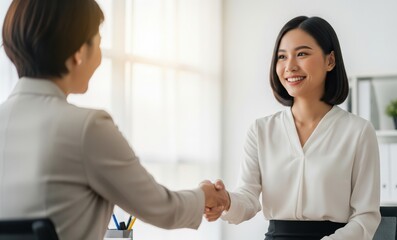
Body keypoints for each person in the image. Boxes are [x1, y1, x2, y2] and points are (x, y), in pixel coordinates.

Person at [0, 1, 228, 240]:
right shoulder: (87, 128)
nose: (99, 57)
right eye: (98, 42)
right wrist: (204, 195)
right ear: (78, 52)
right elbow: (162, 208)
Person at [204, 16, 381, 239]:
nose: (290, 66)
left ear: (330, 61)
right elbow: (248, 197)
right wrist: (225, 201)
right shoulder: (261, 130)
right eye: (281, 56)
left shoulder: (358, 132)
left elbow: (366, 217)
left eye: (302, 54)